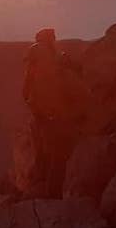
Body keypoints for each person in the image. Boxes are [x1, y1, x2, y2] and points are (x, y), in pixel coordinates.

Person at [22, 27, 91, 198]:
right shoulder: (56, 60)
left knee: (43, 156)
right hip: (59, 116)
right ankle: (53, 197)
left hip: (40, 116)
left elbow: (25, 92)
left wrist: (36, 108)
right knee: (59, 157)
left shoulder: (33, 65)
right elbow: (75, 85)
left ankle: (39, 192)